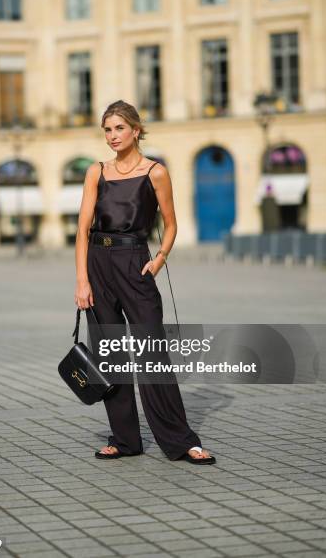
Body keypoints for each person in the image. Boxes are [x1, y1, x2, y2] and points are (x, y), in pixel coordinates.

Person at [74, 100, 216, 465]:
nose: (112, 136)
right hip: (98, 264)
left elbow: (171, 223)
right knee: (110, 355)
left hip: (136, 262)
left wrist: (159, 259)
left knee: (152, 354)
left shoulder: (156, 172)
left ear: (136, 130)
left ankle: (180, 440)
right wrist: (82, 281)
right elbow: (82, 230)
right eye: (107, 130)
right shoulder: (96, 172)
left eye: (119, 128)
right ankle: (124, 440)